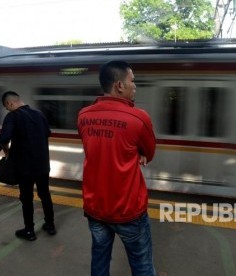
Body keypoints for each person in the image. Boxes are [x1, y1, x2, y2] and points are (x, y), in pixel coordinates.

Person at [77, 60, 156, 275]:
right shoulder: (139, 117)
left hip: (95, 207)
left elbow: (96, 148)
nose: (135, 86)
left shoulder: (83, 115)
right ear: (119, 85)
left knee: (100, 260)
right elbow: (149, 153)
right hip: (129, 210)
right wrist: (137, 151)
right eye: (132, 81)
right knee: (142, 265)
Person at [0, 91, 56, 241]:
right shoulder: (39, 114)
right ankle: (50, 225)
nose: (8, 110)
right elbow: (47, 134)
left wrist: (7, 153)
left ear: (9, 103)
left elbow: (4, 138)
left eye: (7, 107)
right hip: (43, 164)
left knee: (26, 198)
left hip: (25, 167)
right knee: (45, 194)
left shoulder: (13, 116)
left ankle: (29, 231)